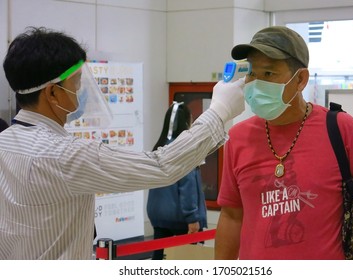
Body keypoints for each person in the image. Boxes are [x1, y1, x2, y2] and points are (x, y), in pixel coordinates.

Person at [0, 26, 244, 260]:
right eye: (76, 82)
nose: (81, 89)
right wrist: (219, 112)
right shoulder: (64, 155)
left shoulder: (5, 143)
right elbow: (162, 166)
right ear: (52, 93)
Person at [214, 26, 353, 260]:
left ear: (301, 80)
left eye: (268, 74)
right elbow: (232, 216)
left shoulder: (340, 128)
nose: (255, 83)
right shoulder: (238, 138)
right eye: (252, 74)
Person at [147, 102, 207, 260]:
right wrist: (193, 218)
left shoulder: (158, 148)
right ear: (186, 122)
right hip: (180, 218)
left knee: (159, 257)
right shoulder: (183, 149)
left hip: (158, 215)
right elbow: (188, 187)